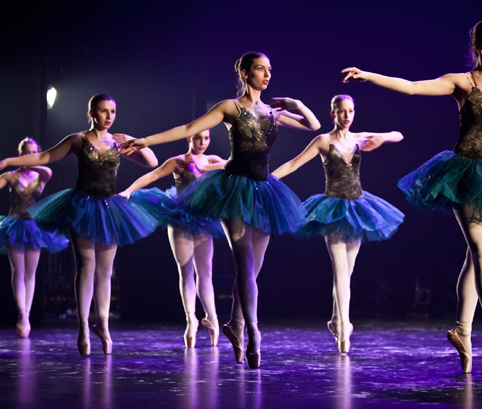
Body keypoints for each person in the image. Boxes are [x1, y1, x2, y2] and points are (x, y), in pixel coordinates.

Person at [342, 19, 482, 376]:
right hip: (465, 175)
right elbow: (412, 87)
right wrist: (369, 75)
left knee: (477, 259)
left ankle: (461, 330)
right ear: (478, 45)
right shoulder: (462, 82)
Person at [121, 52, 321, 368]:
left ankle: (235, 324)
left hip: (265, 191)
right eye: (259, 69)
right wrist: (145, 139)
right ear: (244, 72)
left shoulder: (272, 111)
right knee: (244, 263)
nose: (267, 74)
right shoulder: (231, 107)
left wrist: (296, 103)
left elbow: (314, 124)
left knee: (253, 271)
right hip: (233, 189)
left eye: (269, 69)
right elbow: (188, 128)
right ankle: (253, 331)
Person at [0, 94, 159, 356]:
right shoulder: (78, 139)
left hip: (109, 209)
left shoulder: (118, 143)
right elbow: (45, 157)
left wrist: (135, 141)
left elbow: (151, 162)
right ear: (92, 112)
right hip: (81, 207)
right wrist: (9, 162)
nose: (109, 116)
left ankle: (103, 325)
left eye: (113, 111)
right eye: (104, 111)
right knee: (86, 266)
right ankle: (84, 326)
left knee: (106, 272)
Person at [272, 94, 404, 354]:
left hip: (357, 208)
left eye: (351, 111)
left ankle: (335, 319)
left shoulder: (358, 139)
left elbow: (398, 134)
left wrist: (382, 138)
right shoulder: (323, 141)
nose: (347, 116)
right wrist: (270, 179)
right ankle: (344, 328)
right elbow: (294, 163)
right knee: (341, 273)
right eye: (342, 111)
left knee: (347, 273)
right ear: (332, 114)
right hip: (332, 210)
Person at [119, 130, 226, 348]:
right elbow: (152, 175)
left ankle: (212, 319)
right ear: (189, 139)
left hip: (205, 219)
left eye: (206, 138)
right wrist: (129, 190)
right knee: (185, 270)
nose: (202, 142)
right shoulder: (177, 162)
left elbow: (233, 164)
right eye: (197, 138)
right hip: (179, 218)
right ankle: (191, 320)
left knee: (205, 273)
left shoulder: (212, 160)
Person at [0, 138, 69, 338]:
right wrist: (10, 164)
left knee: (30, 273)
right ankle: (21, 313)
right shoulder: (11, 176)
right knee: (18, 271)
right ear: (20, 154)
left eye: (33, 152)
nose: (28, 156)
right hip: (14, 225)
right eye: (25, 152)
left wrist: (21, 160)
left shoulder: (43, 174)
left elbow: (46, 169)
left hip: (34, 227)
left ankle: (26, 315)